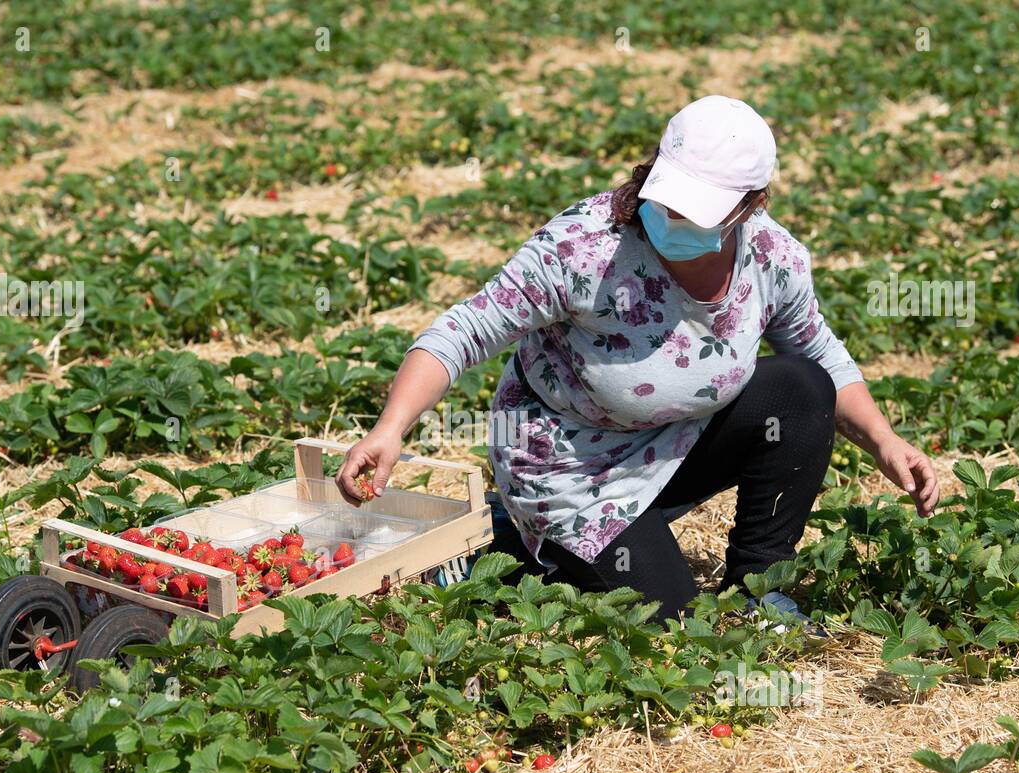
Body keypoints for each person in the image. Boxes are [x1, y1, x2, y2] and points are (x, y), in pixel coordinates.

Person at [335, 95, 939, 625]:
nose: (673, 219)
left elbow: (819, 352)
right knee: (668, 622)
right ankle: (513, 549)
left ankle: (760, 589)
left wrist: (885, 441)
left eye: (696, 209)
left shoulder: (771, 257)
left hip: (679, 441)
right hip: (572, 466)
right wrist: (389, 431)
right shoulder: (584, 248)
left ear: (749, 206)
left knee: (801, 388)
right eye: (668, 197)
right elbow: (462, 330)